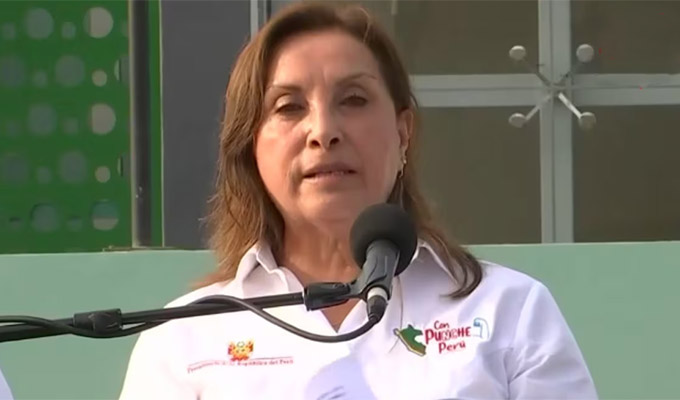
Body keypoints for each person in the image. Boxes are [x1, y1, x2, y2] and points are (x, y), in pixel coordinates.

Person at [119, 2, 597, 399]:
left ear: (403, 133)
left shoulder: (509, 310)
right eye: (289, 107)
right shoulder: (184, 338)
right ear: (251, 146)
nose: (323, 131)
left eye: (353, 100)